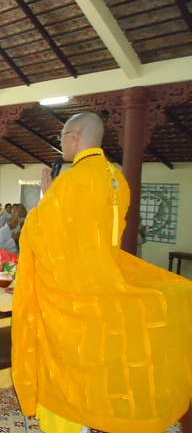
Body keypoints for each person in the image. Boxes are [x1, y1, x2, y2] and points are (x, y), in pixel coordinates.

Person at [12, 112, 192, 433]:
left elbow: (41, 234)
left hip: (73, 287)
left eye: (61, 138)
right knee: (105, 352)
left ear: (74, 137)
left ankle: (71, 417)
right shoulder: (116, 178)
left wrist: (46, 199)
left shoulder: (70, 180)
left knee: (72, 358)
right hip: (103, 275)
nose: (61, 145)